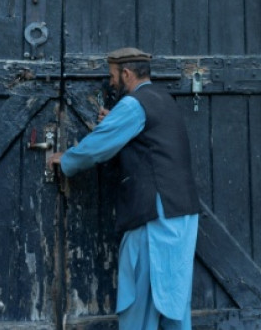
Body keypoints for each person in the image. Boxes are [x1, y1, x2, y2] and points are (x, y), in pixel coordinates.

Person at [48, 47, 201, 330]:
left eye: (112, 76)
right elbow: (145, 140)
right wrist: (116, 120)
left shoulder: (133, 105)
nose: (111, 82)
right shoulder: (162, 100)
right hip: (181, 213)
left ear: (126, 73)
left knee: (140, 304)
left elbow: (98, 147)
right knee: (174, 303)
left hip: (155, 216)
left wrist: (66, 158)